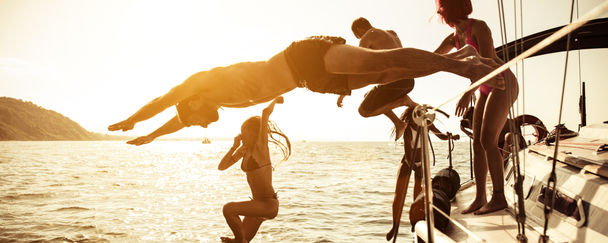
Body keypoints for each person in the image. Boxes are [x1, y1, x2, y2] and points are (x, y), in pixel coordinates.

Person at [108, 33, 503, 139]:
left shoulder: (203, 82)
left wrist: (132, 119)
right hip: (311, 80)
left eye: (194, 121)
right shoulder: (227, 104)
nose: (202, 125)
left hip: (303, 58)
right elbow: (177, 119)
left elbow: (166, 101)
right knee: (387, 76)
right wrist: (152, 137)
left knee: (386, 62)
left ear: (190, 103)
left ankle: (463, 66)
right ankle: (465, 56)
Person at [434, 0, 519, 215]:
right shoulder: (453, 38)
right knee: (478, 143)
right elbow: (433, 58)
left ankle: (498, 197)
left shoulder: (479, 27)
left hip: (501, 82)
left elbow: (488, 64)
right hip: (483, 87)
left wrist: (468, 91)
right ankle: (480, 197)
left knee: (489, 139)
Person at [218, 97, 290, 243]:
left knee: (229, 209)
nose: (242, 135)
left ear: (254, 133)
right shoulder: (243, 151)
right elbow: (222, 166)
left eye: (244, 132)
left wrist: (276, 100)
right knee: (243, 239)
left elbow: (265, 113)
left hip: (268, 205)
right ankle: (240, 240)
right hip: (257, 207)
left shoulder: (261, 148)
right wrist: (234, 146)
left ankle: (238, 240)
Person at [336, 17, 418, 141]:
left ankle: (403, 101)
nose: (359, 39)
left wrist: (343, 93)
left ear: (359, 30)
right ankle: (398, 123)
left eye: (357, 36)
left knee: (364, 111)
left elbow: (357, 68)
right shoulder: (391, 33)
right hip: (409, 80)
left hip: (395, 82)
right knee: (368, 96)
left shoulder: (367, 38)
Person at [386, 105, 457, 241]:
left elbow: (440, 135)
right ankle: (395, 226)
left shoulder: (426, 124)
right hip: (408, 162)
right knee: (399, 194)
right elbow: (407, 151)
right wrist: (413, 166)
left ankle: (415, 221)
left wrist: (450, 136)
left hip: (421, 163)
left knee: (418, 194)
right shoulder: (406, 128)